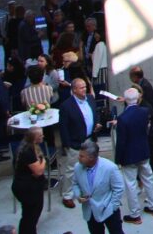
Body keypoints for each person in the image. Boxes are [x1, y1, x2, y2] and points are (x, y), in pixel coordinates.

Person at [114, 88, 153, 224]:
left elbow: (121, 141)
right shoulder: (144, 112)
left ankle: (135, 214)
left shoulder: (122, 119)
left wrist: (118, 159)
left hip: (129, 154)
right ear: (138, 98)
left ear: (126, 100)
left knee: (131, 184)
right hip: (143, 150)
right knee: (148, 178)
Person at [60, 77, 102, 208]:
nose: (84, 89)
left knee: (91, 165)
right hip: (75, 142)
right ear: (74, 90)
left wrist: (97, 123)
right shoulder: (66, 106)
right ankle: (67, 195)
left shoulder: (90, 98)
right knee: (71, 169)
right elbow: (63, 127)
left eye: (85, 86)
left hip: (90, 139)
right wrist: (67, 145)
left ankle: (88, 189)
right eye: (81, 87)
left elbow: (95, 114)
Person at [72, 140, 125, 234]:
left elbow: (119, 188)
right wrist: (78, 196)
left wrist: (113, 206)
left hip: (109, 210)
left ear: (91, 157)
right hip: (90, 211)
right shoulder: (77, 167)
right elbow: (75, 183)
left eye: (81, 156)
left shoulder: (110, 167)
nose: (78, 158)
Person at [12, 126, 47, 234]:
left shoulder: (31, 146)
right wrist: (44, 160)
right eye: (41, 135)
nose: (43, 136)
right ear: (34, 138)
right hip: (27, 189)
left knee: (32, 215)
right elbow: (39, 171)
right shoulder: (27, 151)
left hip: (31, 186)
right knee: (29, 216)